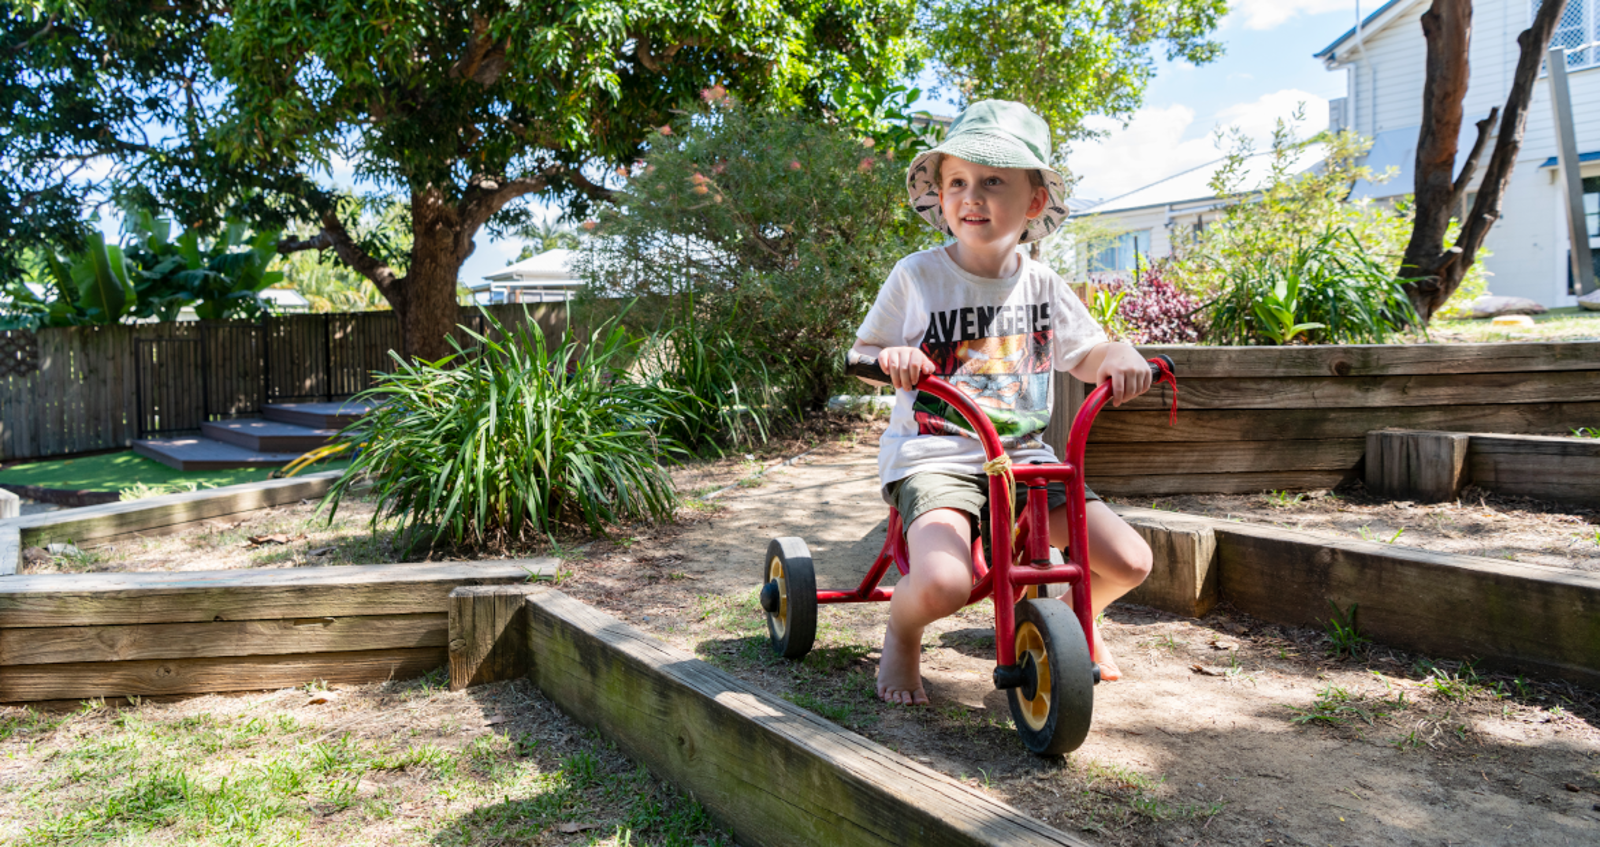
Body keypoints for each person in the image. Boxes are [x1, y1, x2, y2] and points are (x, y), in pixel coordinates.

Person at [850, 99, 1156, 706]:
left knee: (1129, 561)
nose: (972, 196)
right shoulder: (917, 276)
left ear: (1034, 201)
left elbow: (1086, 353)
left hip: (1026, 459)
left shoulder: (1042, 283)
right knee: (943, 583)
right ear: (939, 197)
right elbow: (861, 353)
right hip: (938, 457)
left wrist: (1118, 353)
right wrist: (892, 359)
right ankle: (902, 634)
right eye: (958, 182)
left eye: (994, 181)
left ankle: (1070, 618)